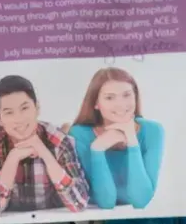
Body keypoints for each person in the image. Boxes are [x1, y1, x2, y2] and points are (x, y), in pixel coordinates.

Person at [0, 75, 90, 216]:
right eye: (9, 113)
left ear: (37, 108)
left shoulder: (58, 139)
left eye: (24, 108)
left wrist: (45, 153)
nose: (18, 119)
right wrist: (13, 158)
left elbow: (79, 203)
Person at [69, 67, 164, 209]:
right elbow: (106, 202)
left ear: (135, 97)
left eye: (127, 95)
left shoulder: (153, 131)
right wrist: (97, 149)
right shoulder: (79, 134)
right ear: (96, 103)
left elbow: (141, 200)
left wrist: (132, 140)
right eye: (109, 97)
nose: (120, 104)